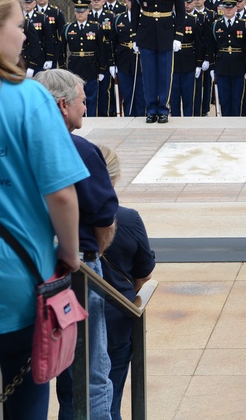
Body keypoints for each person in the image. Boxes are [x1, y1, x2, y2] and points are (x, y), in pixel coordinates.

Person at [0, 0, 85, 419]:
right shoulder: (28, 97)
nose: (24, 36)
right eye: (19, 26)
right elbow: (62, 194)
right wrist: (69, 253)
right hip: (19, 278)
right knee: (27, 404)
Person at [33, 68, 119, 420]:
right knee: (90, 376)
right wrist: (90, 253)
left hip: (32, 265)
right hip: (78, 269)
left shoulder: (16, 146)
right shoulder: (81, 150)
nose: (86, 107)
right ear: (63, 104)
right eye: (83, 101)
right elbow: (103, 219)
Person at [96, 146, 155, 420]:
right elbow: (143, 274)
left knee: (73, 396)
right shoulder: (129, 218)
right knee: (110, 400)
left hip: (72, 317)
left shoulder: (64, 216)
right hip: (118, 318)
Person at [131, 0, 186, 124]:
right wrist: (134, 38)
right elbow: (134, 13)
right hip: (146, 34)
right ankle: (151, 109)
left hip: (166, 34)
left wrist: (178, 36)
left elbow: (181, 12)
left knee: (164, 74)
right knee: (148, 75)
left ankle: (163, 108)